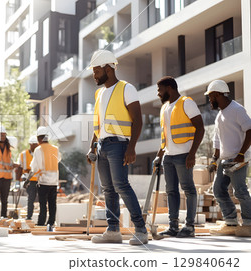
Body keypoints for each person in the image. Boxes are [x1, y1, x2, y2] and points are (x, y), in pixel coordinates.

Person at [86, 49, 148, 245]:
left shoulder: (126, 88)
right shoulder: (100, 93)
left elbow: (138, 120)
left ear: (107, 68)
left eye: (96, 71)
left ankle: (141, 230)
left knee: (121, 186)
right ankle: (113, 230)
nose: (94, 75)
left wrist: (132, 148)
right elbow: (99, 124)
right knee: (108, 190)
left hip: (119, 145)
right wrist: (92, 146)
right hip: (103, 145)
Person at [153, 76, 205, 238]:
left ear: (169, 88)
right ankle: (173, 226)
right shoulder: (164, 108)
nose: (158, 94)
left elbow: (200, 129)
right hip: (169, 156)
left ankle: (189, 227)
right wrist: (159, 155)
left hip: (184, 154)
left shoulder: (186, 103)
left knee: (188, 190)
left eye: (160, 90)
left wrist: (192, 154)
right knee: (171, 191)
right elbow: (165, 136)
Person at [205, 80, 251, 237]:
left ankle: (249, 223)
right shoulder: (219, 115)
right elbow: (217, 139)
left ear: (218, 94)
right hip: (225, 160)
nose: (209, 100)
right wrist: (214, 159)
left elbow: (250, 131)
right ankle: (231, 221)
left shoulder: (237, 110)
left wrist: (241, 154)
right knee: (218, 190)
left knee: (241, 192)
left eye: (211, 97)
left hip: (238, 160)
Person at [30, 126, 61, 227]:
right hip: (54, 182)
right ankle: (51, 223)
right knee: (53, 204)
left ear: (39, 138)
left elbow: (35, 167)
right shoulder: (55, 149)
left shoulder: (38, 149)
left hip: (43, 182)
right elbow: (58, 160)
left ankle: (41, 223)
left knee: (43, 204)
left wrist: (29, 177)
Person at [17, 135, 39, 221]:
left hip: (40, 180)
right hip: (30, 181)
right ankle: (29, 217)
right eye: (35, 144)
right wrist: (18, 181)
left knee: (42, 200)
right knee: (30, 199)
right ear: (31, 144)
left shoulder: (40, 153)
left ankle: (41, 219)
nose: (36, 146)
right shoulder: (23, 154)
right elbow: (20, 168)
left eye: (37, 144)